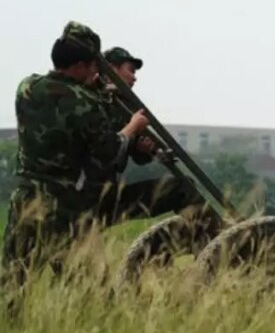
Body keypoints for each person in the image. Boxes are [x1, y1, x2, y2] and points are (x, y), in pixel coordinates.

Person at [1, 22, 210, 296]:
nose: (96, 72)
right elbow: (109, 150)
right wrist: (132, 127)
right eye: (93, 66)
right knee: (94, 297)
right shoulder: (87, 101)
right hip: (74, 206)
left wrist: (136, 142)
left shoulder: (27, 87)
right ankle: (226, 251)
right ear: (80, 65)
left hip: (28, 198)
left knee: (11, 285)